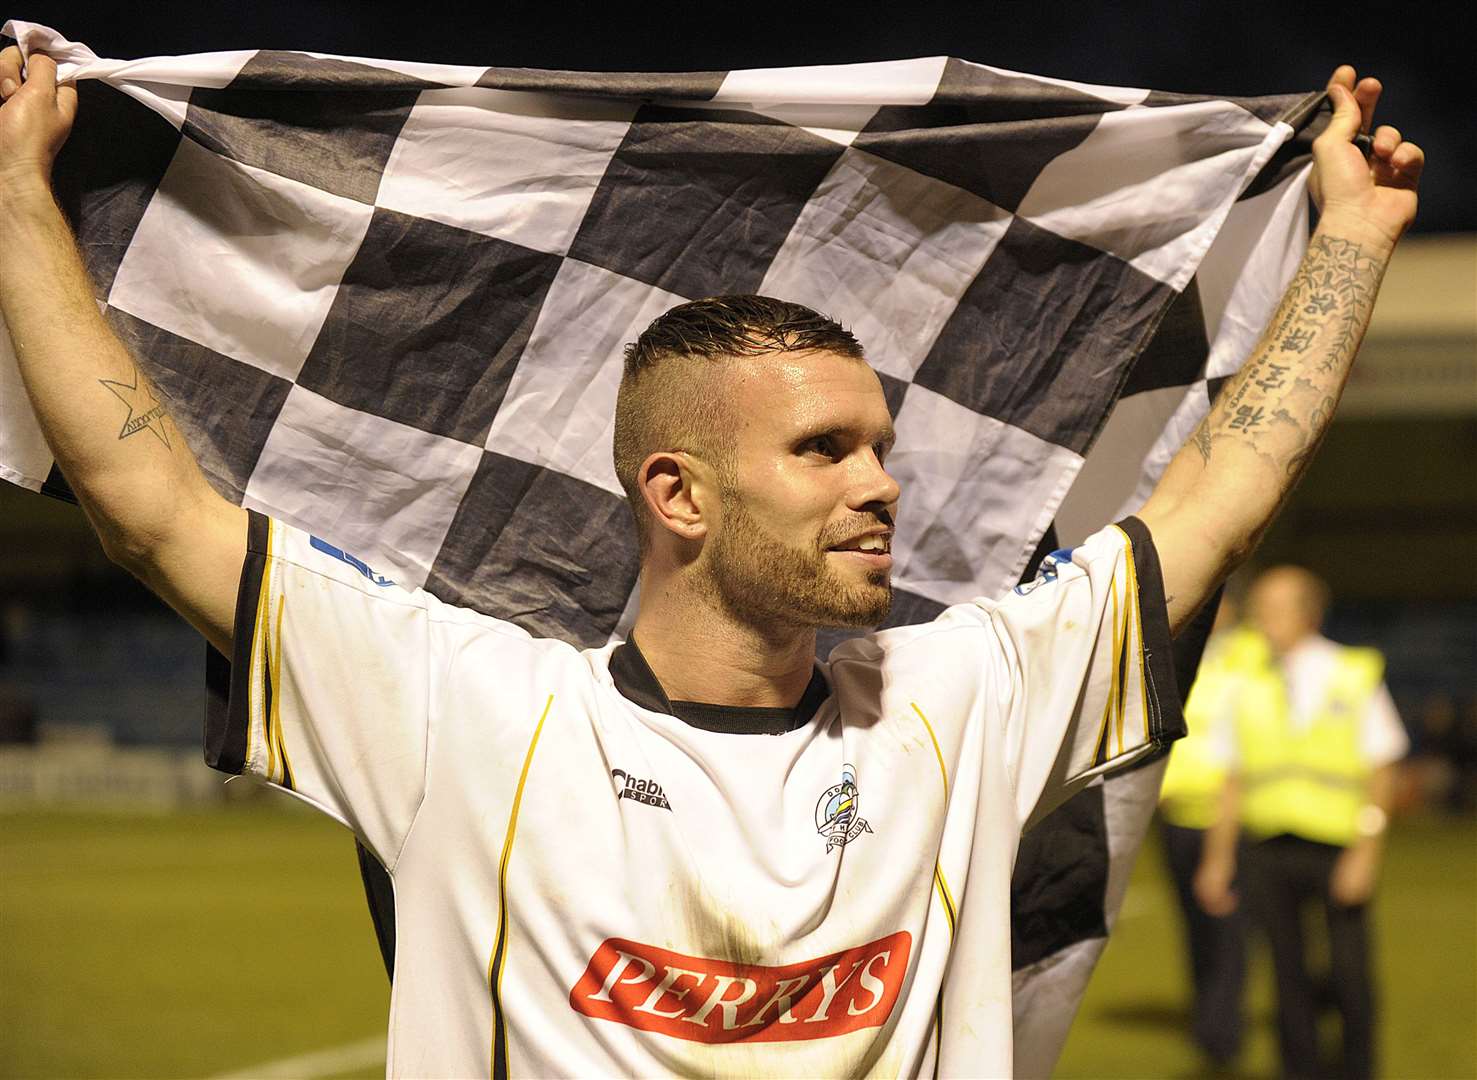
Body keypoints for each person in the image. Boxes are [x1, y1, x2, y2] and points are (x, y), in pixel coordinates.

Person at [0, 44, 1424, 1077]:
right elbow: (148, 504)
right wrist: (17, 201)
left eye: (878, 445)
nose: (882, 485)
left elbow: (1224, 491)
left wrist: (1348, 237)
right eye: (823, 451)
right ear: (674, 493)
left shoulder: (964, 698)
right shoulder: (460, 708)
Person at [1195, 566, 1409, 1080]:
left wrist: (1365, 851)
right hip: (1267, 847)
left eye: (1275, 607)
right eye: (1259, 607)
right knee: (1286, 975)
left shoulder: (1352, 673)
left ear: (1308, 613)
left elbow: (1383, 765)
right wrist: (1217, 860)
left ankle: (1358, 1069)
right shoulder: (1244, 683)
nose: (1260, 618)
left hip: (1336, 844)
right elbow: (1233, 779)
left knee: (1350, 974)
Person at [1156, 592, 1262, 1066]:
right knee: (1195, 925)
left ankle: (1221, 1037)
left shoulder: (1251, 655)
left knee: (1227, 927)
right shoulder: (1183, 651)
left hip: (1228, 814)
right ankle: (1208, 1021)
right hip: (1176, 814)